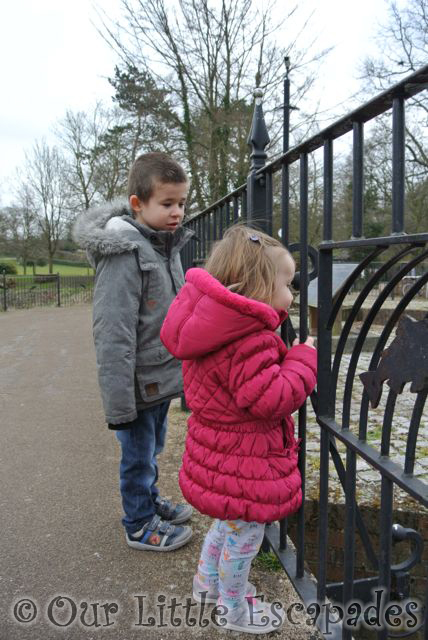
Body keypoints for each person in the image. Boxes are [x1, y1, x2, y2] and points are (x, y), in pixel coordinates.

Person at [160, 224, 317, 633]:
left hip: (219, 452)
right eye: (287, 283)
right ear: (258, 287)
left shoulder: (212, 331)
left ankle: (206, 587)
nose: (292, 293)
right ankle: (233, 609)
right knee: (245, 539)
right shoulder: (249, 339)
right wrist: (303, 359)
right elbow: (272, 397)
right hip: (245, 462)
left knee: (225, 526)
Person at [72, 152, 194, 552]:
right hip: (137, 383)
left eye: (181, 203)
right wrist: (119, 403)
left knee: (152, 449)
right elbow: (112, 333)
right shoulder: (124, 252)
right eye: (167, 204)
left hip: (159, 377)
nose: (177, 212)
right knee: (138, 455)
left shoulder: (163, 244)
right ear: (138, 203)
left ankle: (148, 499)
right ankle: (138, 522)